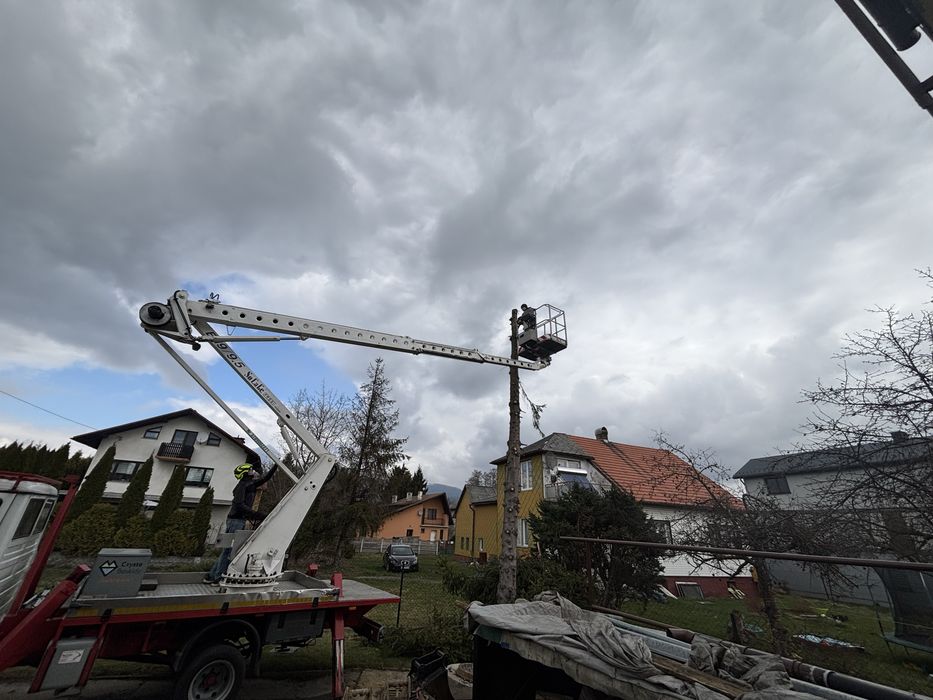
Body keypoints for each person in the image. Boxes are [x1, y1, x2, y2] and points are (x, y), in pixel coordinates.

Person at [203, 458, 278, 584]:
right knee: (229, 551)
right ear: (245, 473)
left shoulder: (249, 485)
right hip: (236, 521)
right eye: (250, 470)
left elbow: (265, 479)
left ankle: (212, 576)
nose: (252, 472)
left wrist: (276, 466)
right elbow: (240, 506)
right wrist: (258, 515)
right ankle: (217, 577)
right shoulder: (242, 487)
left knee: (227, 550)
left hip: (237, 520)